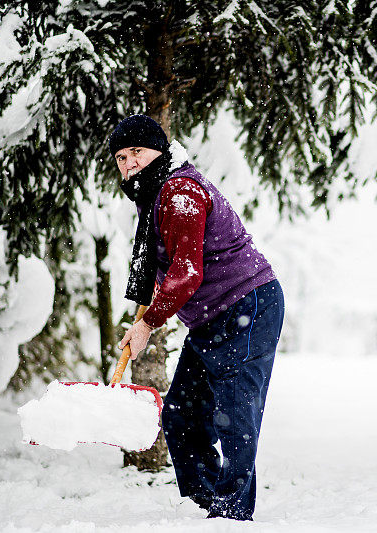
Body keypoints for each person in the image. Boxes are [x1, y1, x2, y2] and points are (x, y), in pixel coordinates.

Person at [110, 114, 284, 521]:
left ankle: (231, 514)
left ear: (159, 152)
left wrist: (149, 322)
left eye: (137, 151)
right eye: (121, 156)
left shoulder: (179, 192)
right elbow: (175, 266)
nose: (129, 162)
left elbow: (187, 271)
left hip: (247, 305)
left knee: (234, 414)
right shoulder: (155, 195)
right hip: (211, 316)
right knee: (182, 413)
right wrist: (154, 303)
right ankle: (204, 504)